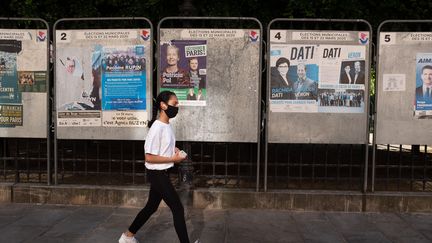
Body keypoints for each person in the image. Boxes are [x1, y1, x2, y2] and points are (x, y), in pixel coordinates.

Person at [119, 91, 199, 243]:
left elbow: (162, 147)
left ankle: (127, 236)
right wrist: (172, 159)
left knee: (151, 207)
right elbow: (148, 157)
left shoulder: (166, 125)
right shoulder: (157, 127)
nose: (177, 106)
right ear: (163, 105)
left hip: (161, 173)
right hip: (157, 174)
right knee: (177, 208)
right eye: (174, 103)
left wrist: (173, 150)